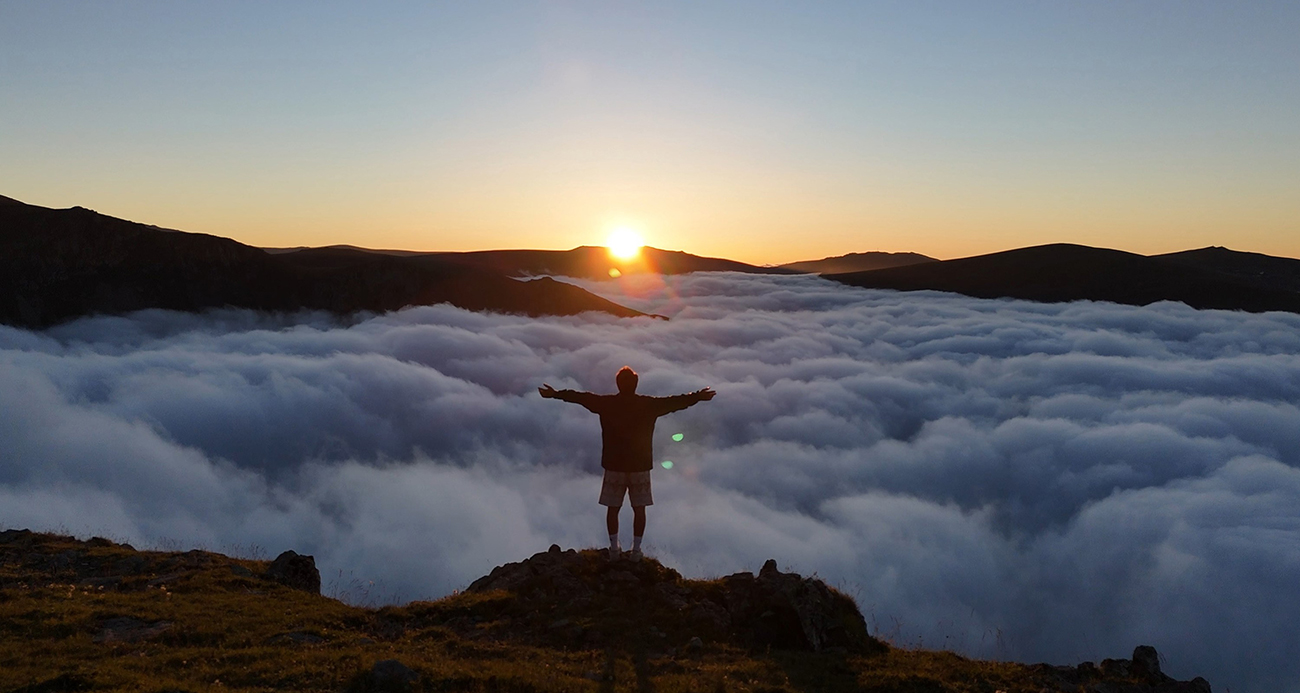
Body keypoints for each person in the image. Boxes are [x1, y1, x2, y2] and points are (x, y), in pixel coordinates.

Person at [539, 366, 715, 559]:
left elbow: (582, 397)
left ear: (618, 384)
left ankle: (614, 549)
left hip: (614, 465)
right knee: (639, 510)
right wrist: (697, 396)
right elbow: (675, 402)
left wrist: (555, 394)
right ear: (636, 384)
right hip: (640, 466)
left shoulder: (606, 404)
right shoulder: (648, 405)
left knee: (612, 509)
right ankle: (636, 551)